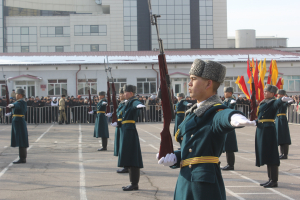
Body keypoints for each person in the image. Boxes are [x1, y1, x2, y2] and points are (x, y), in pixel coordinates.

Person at [157, 59, 255, 199]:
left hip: (203, 187)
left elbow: (222, 116)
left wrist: (234, 116)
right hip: (185, 181)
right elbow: (194, 148)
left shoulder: (216, 111)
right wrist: (176, 157)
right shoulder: (193, 112)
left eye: (193, 79)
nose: (189, 83)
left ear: (208, 83)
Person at [256, 85, 292, 188]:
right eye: (265, 91)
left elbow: (277, 103)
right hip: (262, 129)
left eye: (267, 92)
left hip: (269, 130)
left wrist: (282, 99)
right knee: (267, 155)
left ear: (273, 94)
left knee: (272, 155)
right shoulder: (264, 102)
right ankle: (270, 179)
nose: (265, 93)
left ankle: (274, 180)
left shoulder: (273, 102)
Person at [117, 84, 145, 191]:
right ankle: (133, 183)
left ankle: (134, 184)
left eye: (125, 92)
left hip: (130, 131)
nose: (124, 94)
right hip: (126, 130)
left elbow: (136, 103)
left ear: (131, 93)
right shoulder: (127, 102)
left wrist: (139, 105)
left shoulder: (133, 101)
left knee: (132, 156)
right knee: (129, 155)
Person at [5, 89, 29, 164]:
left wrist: (13, 105)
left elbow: (18, 105)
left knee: (21, 139)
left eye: (16, 94)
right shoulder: (19, 102)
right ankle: (22, 158)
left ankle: (22, 158)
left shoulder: (20, 102)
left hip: (18, 121)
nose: (15, 95)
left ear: (20, 95)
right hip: (17, 120)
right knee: (21, 139)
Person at [112, 88, 128, 173]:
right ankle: (124, 165)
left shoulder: (125, 103)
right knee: (120, 146)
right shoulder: (121, 103)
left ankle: (126, 166)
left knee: (123, 146)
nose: (120, 96)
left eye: (121, 94)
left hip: (123, 126)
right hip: (119, 126)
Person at [222, 87, 238, 170]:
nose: (225, 93)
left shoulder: (231, 101)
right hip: (224, 124)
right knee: (226, 146)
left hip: (229, 124)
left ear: (231, 93)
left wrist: (232, 104)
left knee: (229, 146)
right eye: (224, 92)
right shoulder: (224, 101)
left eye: (227, 92)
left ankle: (231, 164)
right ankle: (229, 163)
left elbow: (230, 109)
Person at [275, 89, 293, 159]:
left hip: (282, 119)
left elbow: (291, 101)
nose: (278, 95)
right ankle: (282, 153)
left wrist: (285, 98)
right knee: (279, 137)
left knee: (284, 136)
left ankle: (285, 154)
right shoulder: (277, 101)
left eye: (279, 94)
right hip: (277, 119)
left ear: (282, 95)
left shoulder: (284, 101)